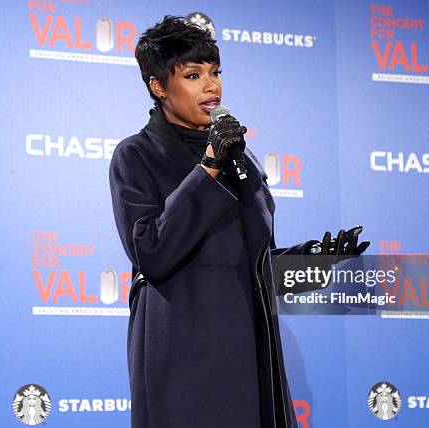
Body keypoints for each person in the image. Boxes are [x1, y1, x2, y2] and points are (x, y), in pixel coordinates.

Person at [109, 16, 367, 428]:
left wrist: (316, 258)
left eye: (215, 73)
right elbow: (151, 251)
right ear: (158, 86)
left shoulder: (240, 157)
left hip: (250, 349)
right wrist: (208, 165)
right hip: (185, 353)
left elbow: (253, 262)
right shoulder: (137, 155)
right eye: (193, 75)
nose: (211, 85)